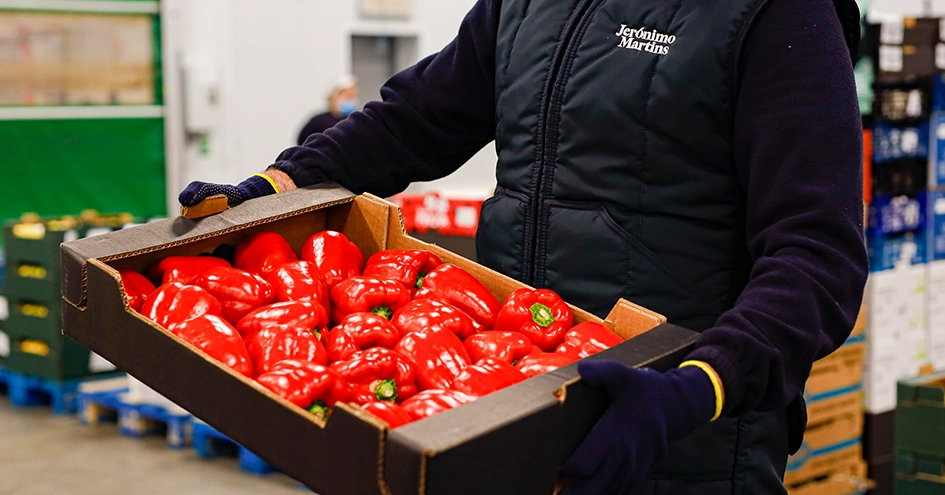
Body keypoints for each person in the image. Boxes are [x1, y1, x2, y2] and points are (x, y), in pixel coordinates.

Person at [179, 0, 867, 493]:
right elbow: (414, 119)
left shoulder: (775, 15)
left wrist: (697, 387)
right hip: (509, 411)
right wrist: (278, 182)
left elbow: (816, 254)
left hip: (676, 439)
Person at [296, 75, 360, 145]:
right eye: (348, 96)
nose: (351, 100)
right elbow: (302, 142)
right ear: (334, 97)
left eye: (353, 96)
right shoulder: (318, 122)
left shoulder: (355, 122)